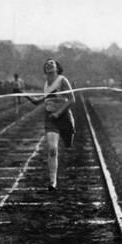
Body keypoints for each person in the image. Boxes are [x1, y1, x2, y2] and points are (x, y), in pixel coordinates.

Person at [25, 59, 76, 191]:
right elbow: (40, 101)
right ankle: (53, 182)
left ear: (57, 67)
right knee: (52, 149)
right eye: (46, 63)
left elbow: (72, 99)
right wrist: (26, 96)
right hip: (50, 119)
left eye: (52, 63)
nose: (48, 64)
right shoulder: (46, 84)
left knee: (68, 144)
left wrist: (58, 113)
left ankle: (70, 131)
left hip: (63, 117)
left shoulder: (62, 80)